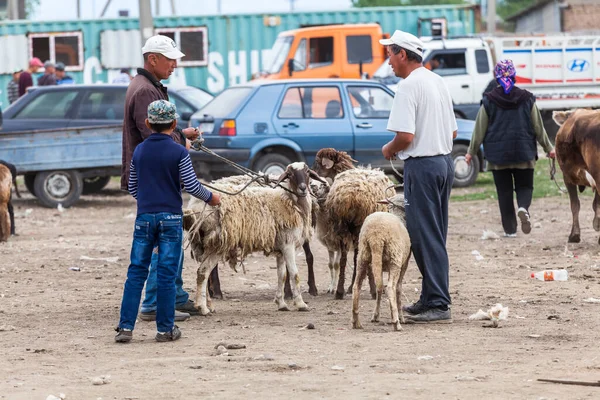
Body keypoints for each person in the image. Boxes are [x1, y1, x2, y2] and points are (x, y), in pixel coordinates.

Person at [115, 100, 221, 343]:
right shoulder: (179, 152)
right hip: (171, 220)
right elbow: (192, 186)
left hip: (144, 219)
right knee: (166, 273)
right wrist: (212, 198)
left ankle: (125, 328)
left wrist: (147, 202)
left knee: (136, 272)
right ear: (174, 124)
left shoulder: (140, 150)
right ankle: (164, 329)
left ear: (147, 123)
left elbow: (132, 186)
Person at [122, 34, 202, 322]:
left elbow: (159, 132)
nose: (174, 66)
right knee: (163, 245)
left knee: (166, 243)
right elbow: (155, 139)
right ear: (152, 59)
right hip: (158, 188)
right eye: (170, 60)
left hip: (151, 185)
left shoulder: (147, 85)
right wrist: (181, 145)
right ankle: (155, 303)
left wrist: (183, 135)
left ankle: (175, 296)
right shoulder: (145, 91)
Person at [380, 30, 457, 324]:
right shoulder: (437, 82)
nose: (388, 61)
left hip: (423, 167)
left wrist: (389, 149)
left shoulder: (408, 87)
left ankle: (438, 303)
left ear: (402, 54)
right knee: (434, 232)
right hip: (443, 163)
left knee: (424, 235)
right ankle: (430, 297)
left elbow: (405, 136)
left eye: (390, 54)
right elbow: (452, 132)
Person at [465, 60, 555, 237]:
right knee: (525, 187)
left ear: (496, 77)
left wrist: (470, 152)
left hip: (498, 158)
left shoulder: (489, 100)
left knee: (504, 193)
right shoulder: (527, 99)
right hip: (524, 152)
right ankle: (523, 207)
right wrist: (549, 148)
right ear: (514, 76)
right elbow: (538, 127)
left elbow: (479, 129)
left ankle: (510, 230)